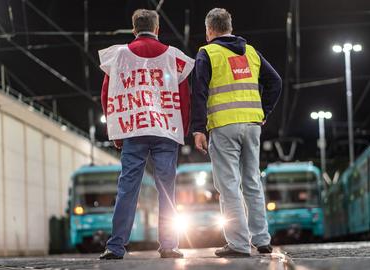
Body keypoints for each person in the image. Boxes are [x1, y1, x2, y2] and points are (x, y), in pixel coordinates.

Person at [98, 9, 194, 260]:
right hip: (165, 131)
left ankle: (116, 246)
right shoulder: (174, 57)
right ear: (157, 28)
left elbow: (107, 96)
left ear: (133, 29)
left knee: (127, 187)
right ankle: (169, 245)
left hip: (133, 128)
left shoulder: (118, 56)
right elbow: (184, 97)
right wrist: (180, 130)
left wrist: (117, 131)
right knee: (167, 189)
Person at [191, 8, 282, 257]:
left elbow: (198, 94)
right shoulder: (251, 52)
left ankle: (239, 244)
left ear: (209, 30)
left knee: (229, 185)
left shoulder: (207, 53)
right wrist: (263, 112)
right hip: (252, 126)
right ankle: (261, 239)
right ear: (229, 27)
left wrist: (198, 129)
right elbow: (276, 82)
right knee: (252, 181)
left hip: (223, 126)